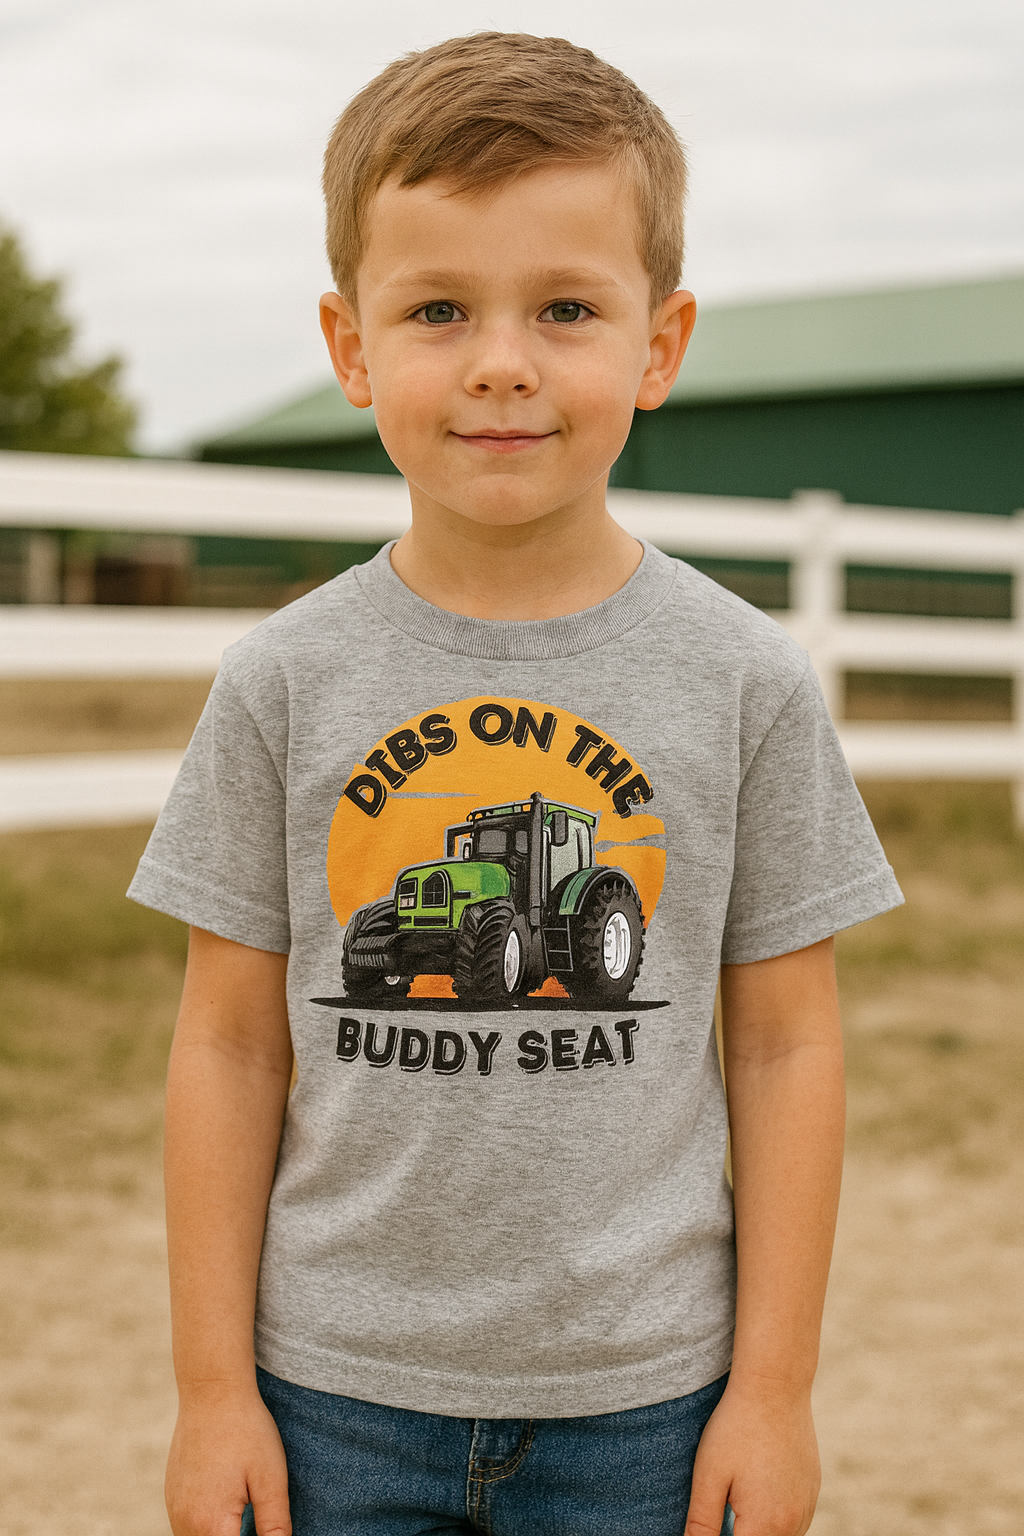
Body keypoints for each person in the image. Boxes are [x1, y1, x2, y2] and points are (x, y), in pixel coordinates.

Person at [129, 32, 902, 1536]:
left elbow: (789, 1049)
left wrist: (774, 1393)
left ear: (659, 346)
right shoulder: (282, 681)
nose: (500, 360)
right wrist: (214, 1391)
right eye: (437, 309)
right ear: (352, 350)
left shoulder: (742, 679)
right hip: (332, 1394)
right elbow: (226, 1047)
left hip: (646, 1402)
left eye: (564, 307)